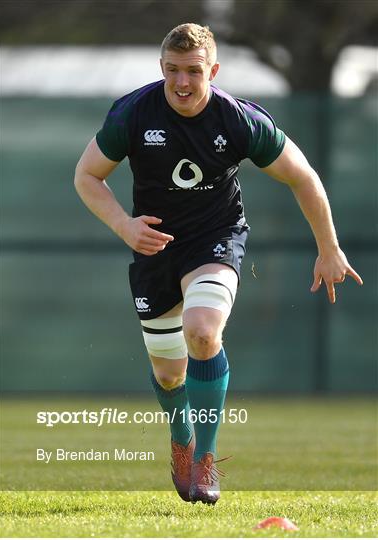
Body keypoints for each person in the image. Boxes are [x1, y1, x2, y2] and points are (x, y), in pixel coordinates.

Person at [74, 23, 363, 505]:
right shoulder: (132, 112)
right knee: (169, 375)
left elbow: (303, 177)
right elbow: (86, 175)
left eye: (192, 71)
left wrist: (328, 247)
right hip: (153, 248)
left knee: (204, 332)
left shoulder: (239, 120)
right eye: (172, 71)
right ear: (161, 68)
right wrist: (125, 226)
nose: (181, 83)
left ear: (213, 70)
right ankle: (182, 436)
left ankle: (205, 459)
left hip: (216, 238)